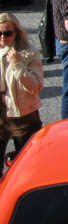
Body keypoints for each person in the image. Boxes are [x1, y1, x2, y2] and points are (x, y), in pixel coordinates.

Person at [0, 13, 43, 153]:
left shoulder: (29, 53)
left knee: (27, 159)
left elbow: (36, 86)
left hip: (23, 117)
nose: (3, 37)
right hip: (1, 115)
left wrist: (17, 65)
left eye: (7, 33)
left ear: (17, 33)